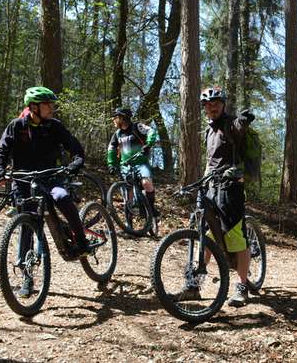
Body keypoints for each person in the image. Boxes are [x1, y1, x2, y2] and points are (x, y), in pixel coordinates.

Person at [0, 86, 91, 297]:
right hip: (23, 179)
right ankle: (27, 280)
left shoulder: (54, 127)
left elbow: (75, 147)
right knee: (27, 223)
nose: (52, 108)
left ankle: (81, 241)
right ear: (34, 107)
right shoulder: (17, 126)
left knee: (62, 197)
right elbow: (2, 148)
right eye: (48, 104)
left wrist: (77, 161)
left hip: (50, 176)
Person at [174, 86, 255, 307]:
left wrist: (244, 119)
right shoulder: (210, 131)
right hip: (212, 186)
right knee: (205, 235)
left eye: (216, 104)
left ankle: (242, 288)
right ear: (204, 108)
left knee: (237, 237)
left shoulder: (231, 124)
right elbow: (212, 163)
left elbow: (239, 127)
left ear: (223, 105)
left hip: (232, 188)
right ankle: (194, 286)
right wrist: (200, 183)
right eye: (208, 105)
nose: (212, 107)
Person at [106, 107, 160, 218]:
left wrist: (148, 144)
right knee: (128, 196)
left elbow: (151, 131)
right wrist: (111, 164)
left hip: (141, 163)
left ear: (122, 118)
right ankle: (129, 224)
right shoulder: (117, 134)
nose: (113, 120)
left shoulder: (137, 127)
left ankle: (151, 208)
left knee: (146, 183)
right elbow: (111, 149)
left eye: (115, 118)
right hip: (125, 166)